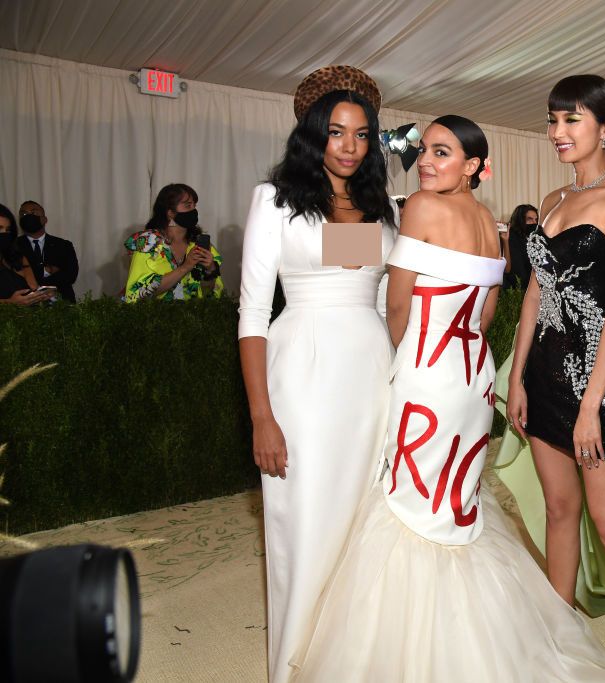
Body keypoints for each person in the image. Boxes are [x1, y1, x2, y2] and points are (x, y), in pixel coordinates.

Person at [291, 115, 605, 682]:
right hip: (473, 377)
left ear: (472, 166)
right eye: (425, 153)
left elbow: (396, 307)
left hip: (428, 371)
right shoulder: (488, 221)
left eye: (442, 152)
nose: (427, 163)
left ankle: (419, 645)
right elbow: (486, 314)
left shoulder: (420, 207)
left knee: (410, 500)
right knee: (455, 503)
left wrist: (399, 358)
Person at [237, 65, 399, 683]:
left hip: (371, 378)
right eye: (336, 132)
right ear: (312, 135)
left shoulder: (380, 209)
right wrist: (261, 417)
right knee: (305, 523)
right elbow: (252, 313)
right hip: (301, 376)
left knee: (366, 520)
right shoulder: (275, 202)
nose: (350, 146)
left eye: (361, 134)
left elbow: (384, 306)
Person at [504, 75, 605, 674]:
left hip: (596, 388)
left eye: (571, 120)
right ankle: (556, 632)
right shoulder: (550, 201)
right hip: (543, 376)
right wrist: (516, 378)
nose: (557, 133)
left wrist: (593, 403)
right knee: (559, 511)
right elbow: (535, 298)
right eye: (552, 120)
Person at [123, 184, 224, 302]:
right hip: (154, 318)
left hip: (193, 318)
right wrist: (186, 267)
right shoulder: (148, 242)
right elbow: (137, 293)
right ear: (170, 213)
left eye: (194, 205)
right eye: (188, 205)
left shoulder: (197, 244)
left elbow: (211, 296)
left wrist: (210, 270)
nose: (194, 210)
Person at [17, 200, 79, 302]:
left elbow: (71, 275)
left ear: (45, 219)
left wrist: (33, 275)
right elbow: (14, 278)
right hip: (26, 307)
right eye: (23, 214)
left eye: (33, 213)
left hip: (62, 305)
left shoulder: (63, 245)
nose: (28, 216)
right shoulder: (13, 246)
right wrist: (48, 270)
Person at [0, 203, 50, 306]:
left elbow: (33, 287)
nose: (4, 234)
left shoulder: (17, 257)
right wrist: (9, 303)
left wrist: (41, 295)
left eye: (8, 230)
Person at [505, 203, 539, 288]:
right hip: (512, 290)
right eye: (530, 219)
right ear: (520, 220)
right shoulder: (510, 237)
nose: (534, 223)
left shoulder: (535, 238)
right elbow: (511, 268)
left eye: (536, 220)